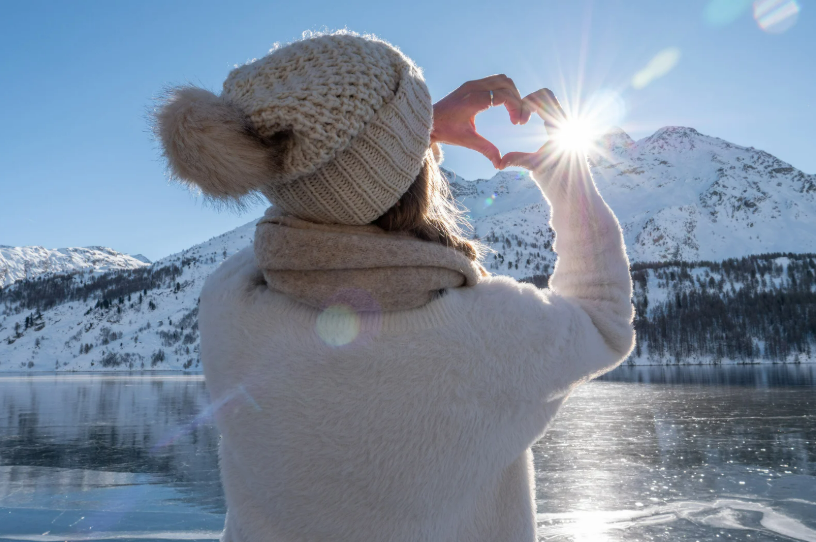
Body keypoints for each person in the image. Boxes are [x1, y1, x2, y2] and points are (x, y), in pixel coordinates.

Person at [156, 30, 635, 542]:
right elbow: (604, 319)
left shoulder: (231, 305)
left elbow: (313, 213)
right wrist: (568, 180)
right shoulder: (492, 334)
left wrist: (406, 137)